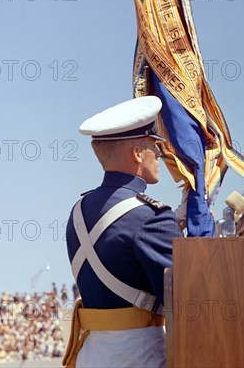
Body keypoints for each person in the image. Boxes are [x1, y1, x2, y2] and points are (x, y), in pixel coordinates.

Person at [63, 96, 181, 368]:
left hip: (91, 356)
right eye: (154, 146)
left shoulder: (78, 211)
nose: (160, 154)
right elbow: (184, 302)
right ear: (138, 153)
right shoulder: (152, 216)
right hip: (140, 356)